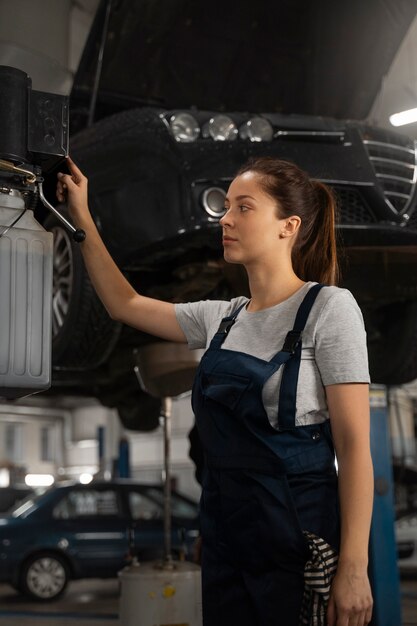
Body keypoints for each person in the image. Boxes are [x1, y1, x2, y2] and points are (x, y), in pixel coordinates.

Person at [57, 156, 374, 626]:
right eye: (226, 206)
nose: (225, 219)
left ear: (288, 226)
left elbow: (353, 449)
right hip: (226, 538)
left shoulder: (329, 308)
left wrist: (352, 567)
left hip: (298, 541)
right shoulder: (221, 318)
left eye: (243, 207)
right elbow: (124, 304)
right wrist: (80, 216)